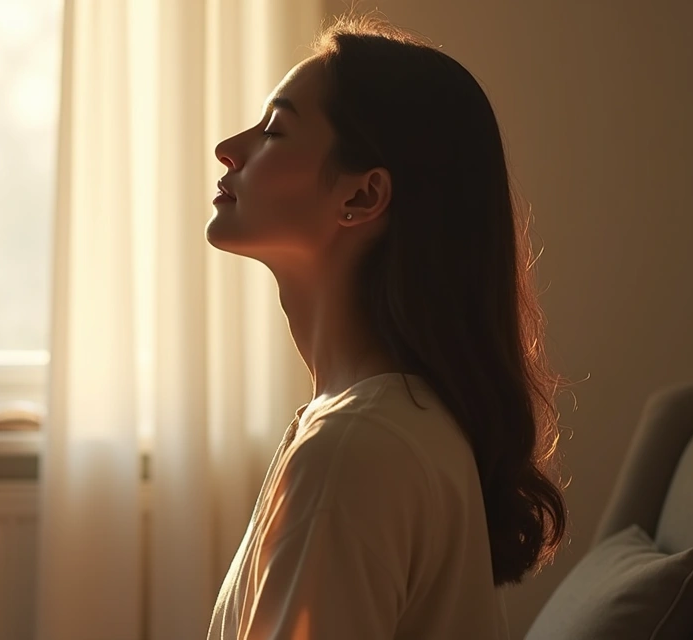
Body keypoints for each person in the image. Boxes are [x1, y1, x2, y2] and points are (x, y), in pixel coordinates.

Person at [205, 14, 568, 640]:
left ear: (362, 197)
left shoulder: (353, 448)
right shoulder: (380, 422)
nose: (229, 148)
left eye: (276, 130)